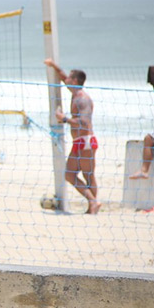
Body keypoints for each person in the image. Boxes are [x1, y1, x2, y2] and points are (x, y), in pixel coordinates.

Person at [44, 58, 101, 214]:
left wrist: (64, 118)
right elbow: (62, 76)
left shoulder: (83, 99)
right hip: (80, 141)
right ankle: (93, 204)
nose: (66, 79)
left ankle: (93, 203)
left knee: (87, 175)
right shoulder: (74, 93)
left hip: (86, 141)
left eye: (69, 77)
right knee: (70, 174)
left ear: (75, 80)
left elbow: (84, 122)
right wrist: (53, 65)